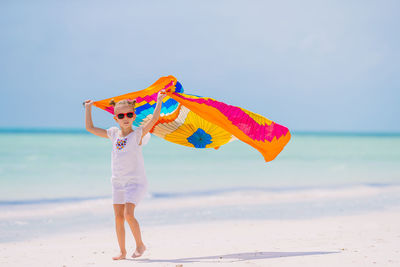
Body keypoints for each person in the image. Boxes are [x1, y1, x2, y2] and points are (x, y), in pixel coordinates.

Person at [84, 90, 167, 260]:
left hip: (135, 182)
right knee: (118, 218)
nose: (125, 118)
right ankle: (122, 252)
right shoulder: (113, 133)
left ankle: (140, 245)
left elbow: (154, 119)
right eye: (121, 116)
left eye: (129, 114)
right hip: (117, 182)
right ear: (116, 118)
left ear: (134, 116)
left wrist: (159, 100)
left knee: (129, 215)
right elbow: (90, 128)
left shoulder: (137, 134)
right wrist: (88, 108)